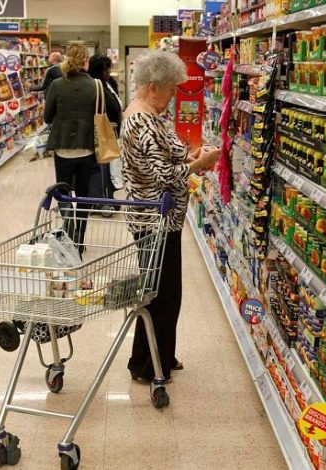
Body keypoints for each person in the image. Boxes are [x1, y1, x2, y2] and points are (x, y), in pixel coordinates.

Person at [121, 51, 220, 383]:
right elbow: (163, 174)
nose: (173, 96)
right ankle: (149, 366)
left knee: (161, 292)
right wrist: (199, 165)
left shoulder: (144, 114)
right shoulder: (142, 121)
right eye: (170, 90)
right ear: (153, 87)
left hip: (160, 218)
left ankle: (157, 356)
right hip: (154, 221)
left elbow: (165, 156)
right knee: (160, 295)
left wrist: (192, 156)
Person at [44, 44, 119, 249]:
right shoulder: (96, 85)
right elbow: (104, 113)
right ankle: (80, 239)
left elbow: (47, 117)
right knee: (84, 195)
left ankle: (69, 233)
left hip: (63, 148)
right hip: (88, 148)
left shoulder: (57, 85)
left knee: (64, 193)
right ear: (85, 61)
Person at [87, 53, 122, 206]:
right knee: (103, 168)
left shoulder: (109, 83)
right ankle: (101, 198)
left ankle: (108, 195)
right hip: (102, 134)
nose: (109, 72)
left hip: (111, 133)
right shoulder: (95, 86)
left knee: (110, 167)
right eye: (106, 70)